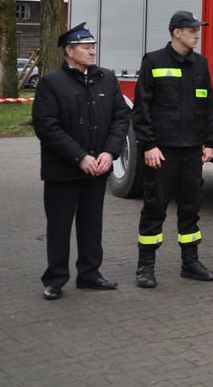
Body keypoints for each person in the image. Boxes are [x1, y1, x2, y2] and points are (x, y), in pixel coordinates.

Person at [32, 23, 130, 300]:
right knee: (59, 226)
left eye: (93, 46)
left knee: (91, 224)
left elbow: (121, 117)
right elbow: (46, 126)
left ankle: (90, 274)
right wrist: (80, 157)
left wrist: (109, 153)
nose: (92, 50)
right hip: (62, 171)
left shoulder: (106, 78)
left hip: (97, 169)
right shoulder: (51, 83)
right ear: (69, 51)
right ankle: (55, 279)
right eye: (86, 47)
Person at [132, 11, 213, 288]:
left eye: (198, 29)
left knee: (191, 207)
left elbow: (207, 106)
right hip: (162, 152)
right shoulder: (154, 61)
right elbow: (142, 108)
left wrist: (210, 142)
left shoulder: (200, 64)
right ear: (176, 32)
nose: (197, 34)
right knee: (155, 208)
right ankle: (145, 266)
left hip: (192, 151)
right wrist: (149, 145)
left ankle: (190, 263)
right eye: (192, 30)